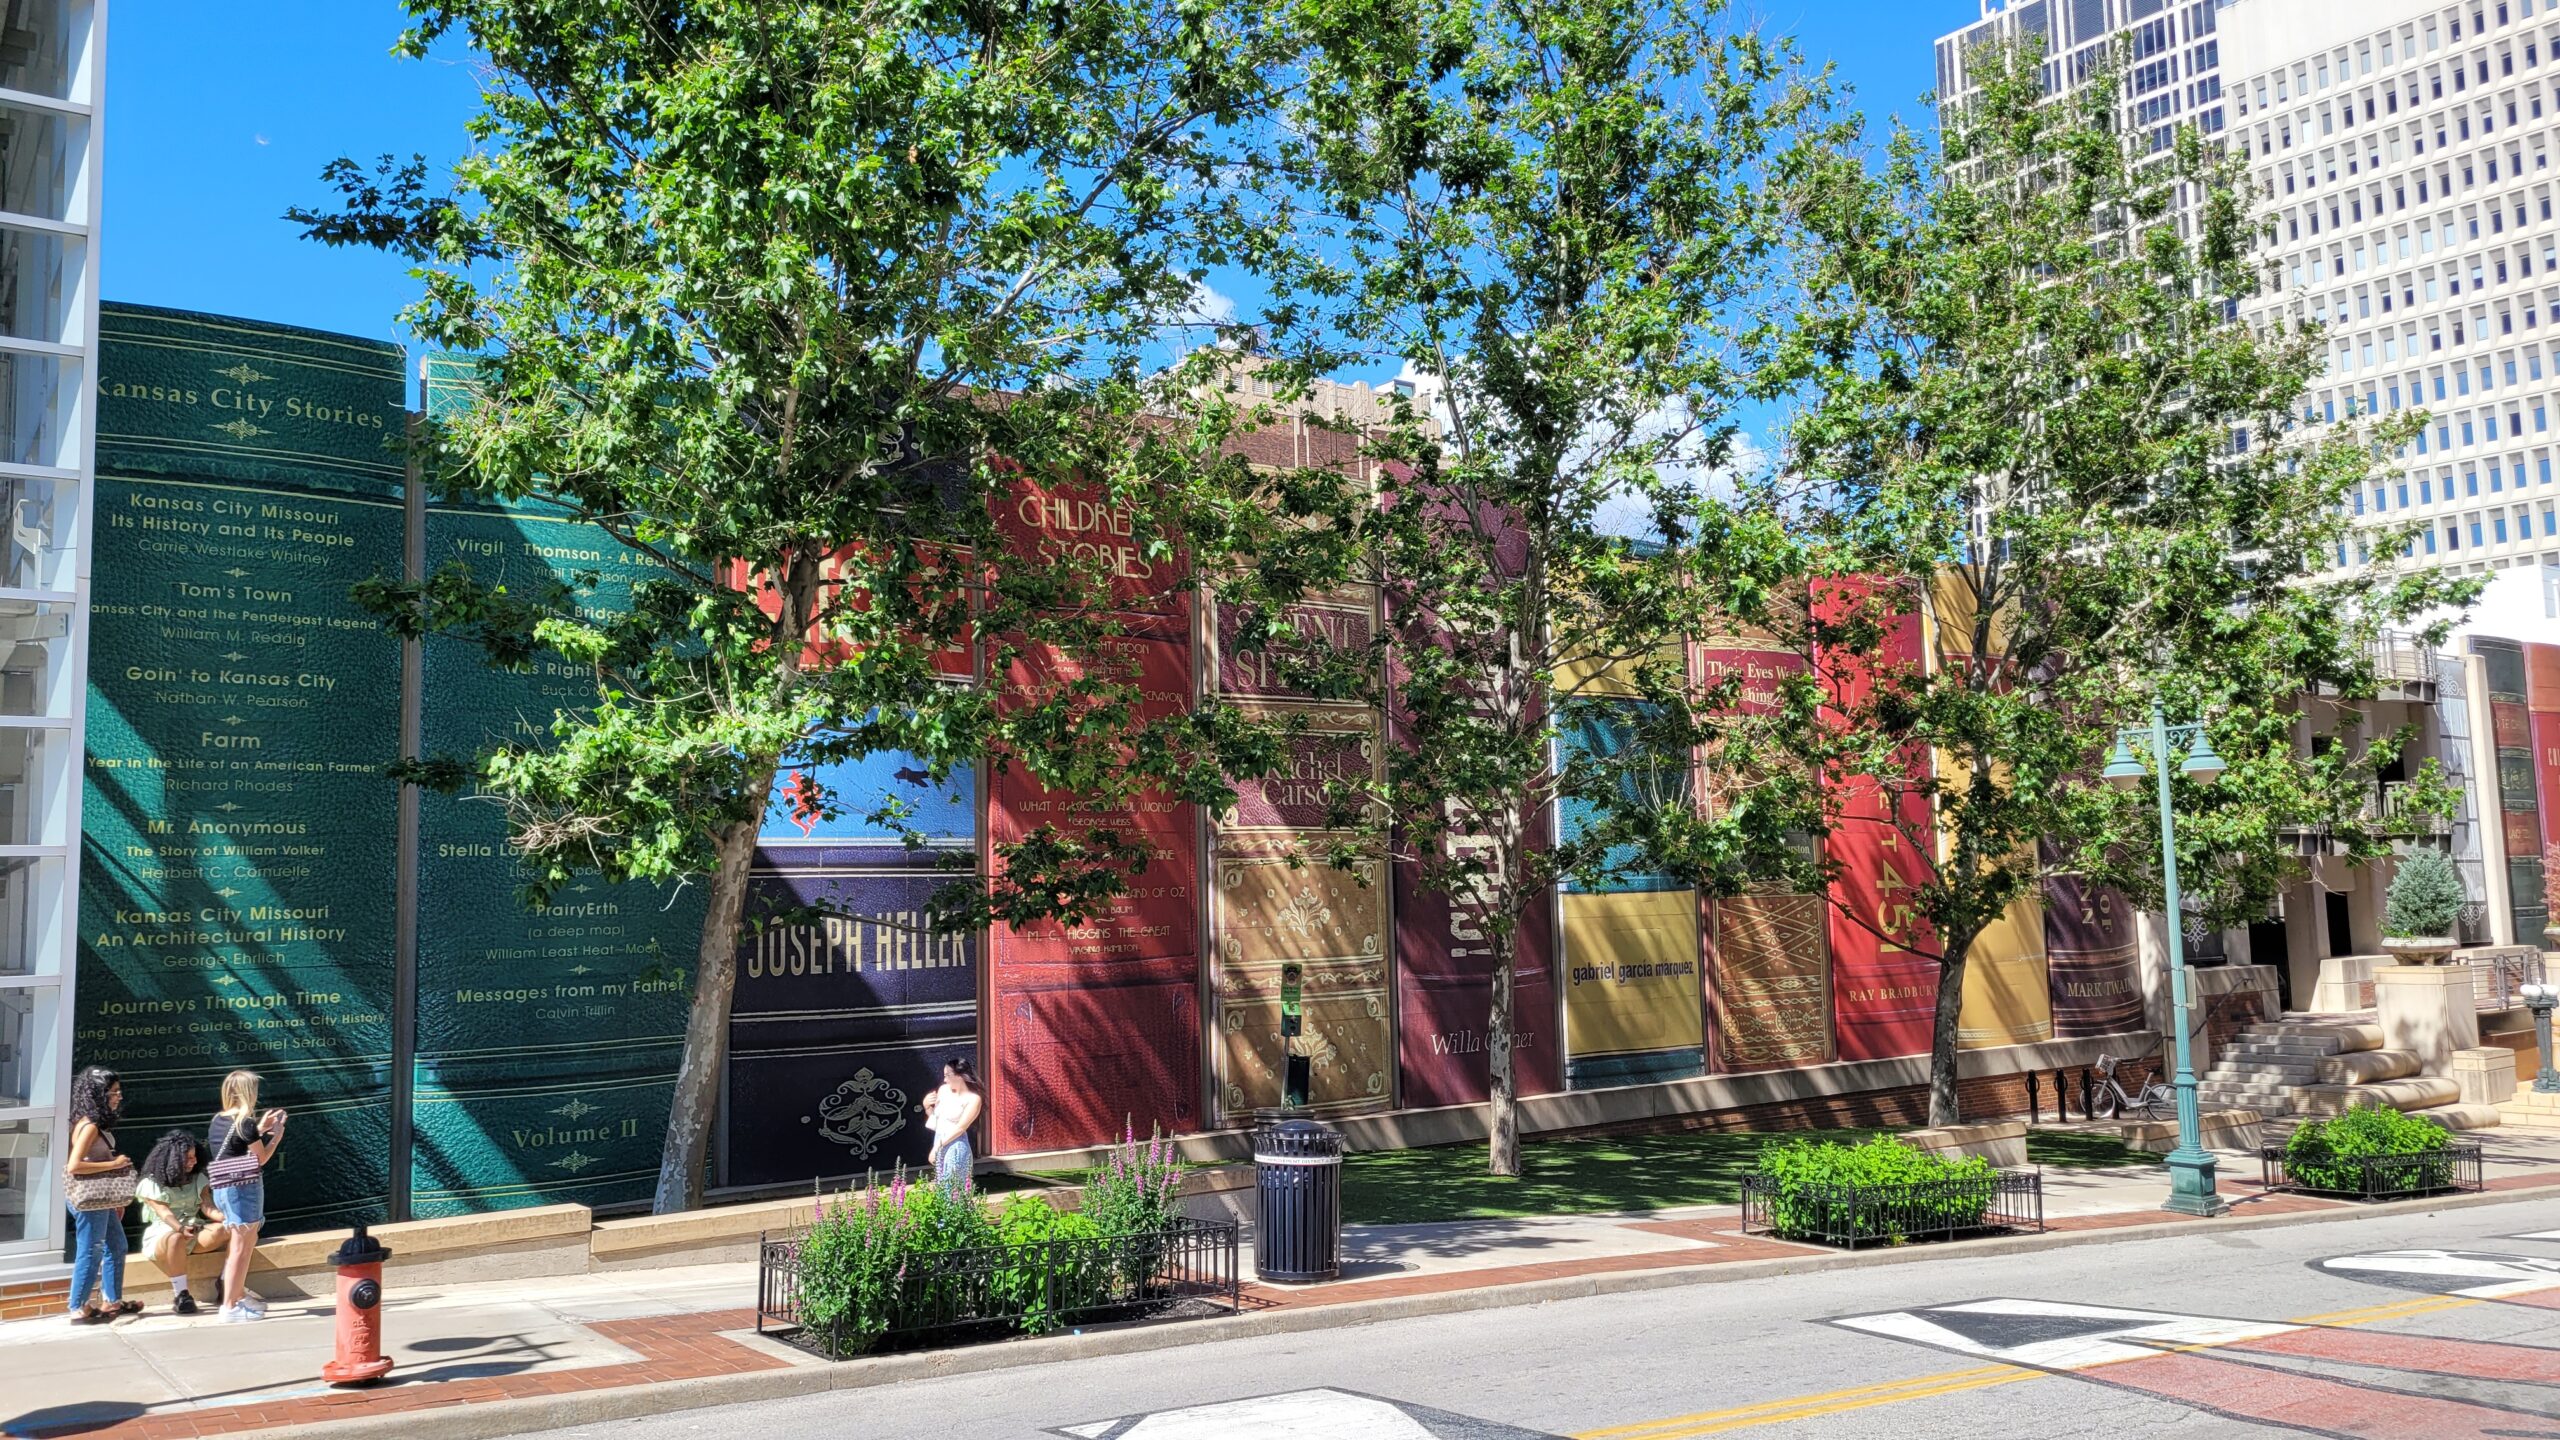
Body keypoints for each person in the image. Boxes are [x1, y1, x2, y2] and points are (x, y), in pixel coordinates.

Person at [206, 1070, 286, 1323]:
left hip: (223, 1187)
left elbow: (234, 1147)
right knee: (241, 1248)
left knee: (242, 1245)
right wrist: (275, 1139)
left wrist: (259, 1130)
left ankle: (237, 1296)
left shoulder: (219, 1120)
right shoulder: (246, 1123)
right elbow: (259, 1158)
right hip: (243, 1189)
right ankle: (230, 1305)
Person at [64, 1065, 140, 1324]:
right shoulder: (90, 1126)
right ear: (98, 1094)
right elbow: (74, 1165)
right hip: (90, 1197)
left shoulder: (92, 1122)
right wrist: (113, 1164)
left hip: (102, 1196)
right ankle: (78, 1306)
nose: (118, 1097)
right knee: (91, 1249)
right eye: (113, 1092)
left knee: (117, 1246)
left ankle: (112, 1301)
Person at [137, 1130, 230, 1316]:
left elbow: (207, 1206)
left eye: (194, 1157)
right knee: (176, 1239)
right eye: (188, 1158)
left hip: (194, 1230)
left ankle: (226, 1280)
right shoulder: (151, 1183)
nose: (193, 1161)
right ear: (173, 1159)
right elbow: (164, 1213)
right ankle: (181, 1295)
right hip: (164, 1233)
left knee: (231, 1229)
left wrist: (228, 1219)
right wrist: (179, 1228)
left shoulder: (198, 1179)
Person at [923, 1056, 982, 1190]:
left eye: (947, 1075)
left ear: (959, 1075)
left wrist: (937, 1147)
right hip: (939, 1139)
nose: (944, 1080)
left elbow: (960, 1128)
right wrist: (927, 1106)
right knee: (941, 1187)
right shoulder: (944, 1090)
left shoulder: (973, 1099)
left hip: (955, 1144)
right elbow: (937, 1119)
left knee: (953, 1188)